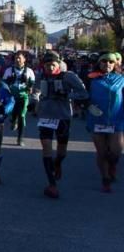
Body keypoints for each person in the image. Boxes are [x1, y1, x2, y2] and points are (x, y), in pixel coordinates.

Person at [36, 52, 88, 199]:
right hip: (45, 116)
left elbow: (84, 93)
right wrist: (35, 98)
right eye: (47, 65)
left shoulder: (68, 76)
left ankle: (57, 163)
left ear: (59, 64)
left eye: (53, 64)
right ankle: (52, 184)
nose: (50, 68)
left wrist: (67, 95)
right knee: (46, 147)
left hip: (63, 117)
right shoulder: (41, 76)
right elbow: (35, 91)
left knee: (61, 151)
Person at [84, 53, 123, 193]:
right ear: (99, 63)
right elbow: (81, 95)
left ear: (114, 64)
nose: (107, 64)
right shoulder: (90, 79)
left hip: (116, 120)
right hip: (97, 120)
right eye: (104, 61)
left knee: (116, 152)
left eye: (111, 62)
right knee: (101, 153)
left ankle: (112, 165)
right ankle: (105, 179)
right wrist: (87, 105)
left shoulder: (121, 79)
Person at [3, 51, 35, 146]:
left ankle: (20, 139)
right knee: (12, 113)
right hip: (12, 96)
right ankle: (13, 120)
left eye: (19, 58)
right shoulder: (8, 70)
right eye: (16, 58)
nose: (17, 60)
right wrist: (9, 82)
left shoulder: (29, 71)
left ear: (24, 59)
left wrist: (29, 87)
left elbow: (31, 85)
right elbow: (3, 84)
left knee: (22, 115)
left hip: (23, 96)